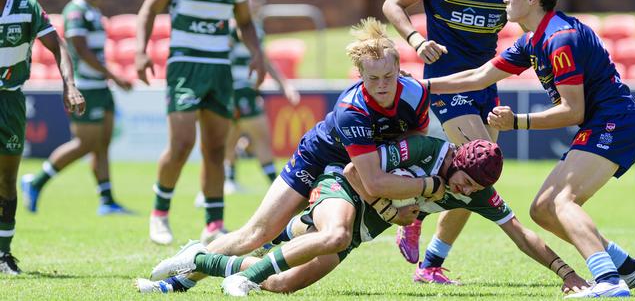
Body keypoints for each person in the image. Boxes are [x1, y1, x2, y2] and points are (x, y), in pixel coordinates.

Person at [138, 17, 435, 290]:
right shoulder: (351, 108)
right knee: (256, 234)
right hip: (317, 157)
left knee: (303, 263)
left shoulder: (414, 95)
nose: (382, 85)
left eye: (388, 76)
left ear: (399, 69)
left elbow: (411, 144)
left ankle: (262, 245)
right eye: (373, 79)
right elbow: (369, 178)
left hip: (349, 171)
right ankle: (180, 279)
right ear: (359, 75)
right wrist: (392, 208)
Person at [421, 0, 635, 298]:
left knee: (564, 202)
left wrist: (517, 122)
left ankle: (608, 281)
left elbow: (573, 110)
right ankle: (627, 269)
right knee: (542, 208)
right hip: (604, 124)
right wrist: (420, 87)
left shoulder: (560, 39)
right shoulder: (532, 41)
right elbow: (478, 76)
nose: (504, 0)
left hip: (615, 123)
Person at [136, 135, 588, 296]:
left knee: (280, 283)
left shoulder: (477, 193)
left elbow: (518, 233)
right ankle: (218, 269)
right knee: (324, 234)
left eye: (475, 189)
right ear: (455, 160)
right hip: (343, 191)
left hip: (360, 231)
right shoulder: (425, 149)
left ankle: (198, 261)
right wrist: (395, 208)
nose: (466, 192)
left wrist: (565, 271)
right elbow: (357, 169)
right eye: (465, 181)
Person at [382, 0, 516, 283]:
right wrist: (417, 40)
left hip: (486, 85)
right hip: (446, 84)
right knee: (479, 173)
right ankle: (414, 220)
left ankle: (429, 262)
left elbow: (535, 22)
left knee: (479, 177)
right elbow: (392, 4)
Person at [134, 0, 266, 245]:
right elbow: (149, 9)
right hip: (185, 66)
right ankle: (160, 214)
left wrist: (257, 54)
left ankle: (213, 223)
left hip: (219, 69)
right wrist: (141, 51)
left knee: (217, 149)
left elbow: (245, 22)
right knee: (181, 144)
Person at [21, 0, 133, 216]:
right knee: (84, 144)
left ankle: (107, 201)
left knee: (103, 144)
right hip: (86, 87)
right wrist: (114, 75)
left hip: (101, 87)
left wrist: (108, 78)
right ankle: (35, 182)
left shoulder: (94, 12)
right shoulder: (75, 11)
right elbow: (80, 50)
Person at [0, 0, 85, 275]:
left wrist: (70, 84)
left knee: (6, 180)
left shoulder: (27, 8)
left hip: (10, 101)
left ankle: (3, 254)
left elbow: (58, 46)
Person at [218, 0, 300, 195]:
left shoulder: (255, 27)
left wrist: (284, 85)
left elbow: (263, 59)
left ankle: (230, 180)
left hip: (245, 88)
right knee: (260, 135)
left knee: (235, 134)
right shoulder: (238, 23)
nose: (254, 3)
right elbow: (225, 45)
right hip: (237, 88)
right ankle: (276, 184)